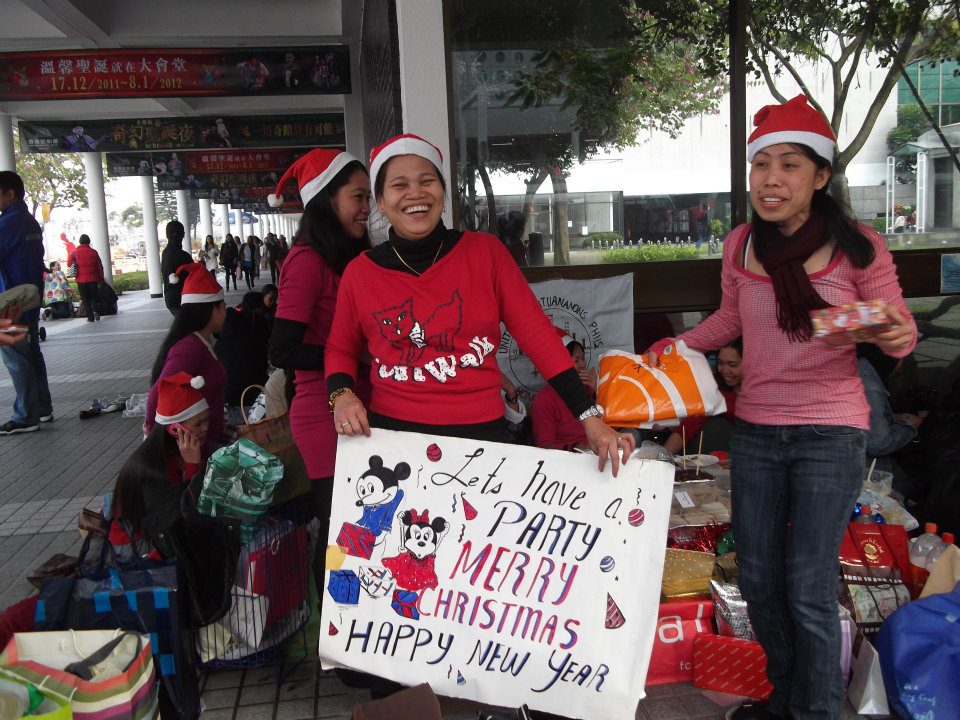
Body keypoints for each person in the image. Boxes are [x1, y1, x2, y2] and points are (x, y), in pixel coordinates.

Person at [647, 95, 917, 720]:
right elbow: (731, 318)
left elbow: (898, 334)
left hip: (831, 430)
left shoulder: (859, 247)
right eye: (761, 164)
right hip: (758, 430)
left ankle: (816, 711)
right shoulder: (742, 244)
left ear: (820, 177)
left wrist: (874, 325)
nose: (771, 179)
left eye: (790, 164)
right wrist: (675, 346)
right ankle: (787, 698)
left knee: (809, 584)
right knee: (760, 579)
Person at [326, 133, 634, 475]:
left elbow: (539, 337)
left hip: (480, 440)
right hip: (394, 440)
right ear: (381, 202)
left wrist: (589, 416)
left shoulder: (485, 254)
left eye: (427, 181)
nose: (416, 194)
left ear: (443, 193)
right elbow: (340, 348)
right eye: (399, 185)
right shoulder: (360, 273)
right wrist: (341, 395)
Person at [266, 148, 372, 598]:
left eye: (368, 197)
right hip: (322, 414)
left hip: (359, 407)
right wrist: (351, 357)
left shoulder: (348, 255)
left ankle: (353, 620)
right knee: (337, 528)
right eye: (358, 197)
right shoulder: (308, 261)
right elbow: (282, 349)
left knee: (360, 528)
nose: (367, 207)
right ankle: (334, 623)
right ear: (327, 200)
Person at [146, 263, 227, 452]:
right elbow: (158, 392)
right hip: (197, 447)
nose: (226, 313)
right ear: (211, 309)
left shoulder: (201, 342)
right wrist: (152, 439)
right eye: (223, 307)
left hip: (208, 441)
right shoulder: (190, 348)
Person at [0, 171, 53, 434]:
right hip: (29, 300)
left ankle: (25, 416)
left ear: (9, 193)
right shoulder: (29, 221)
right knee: (31, 353)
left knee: (16, 358)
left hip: (10, 305)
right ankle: (41, 408)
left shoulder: (8, 223)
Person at [664, 337, 742, 455]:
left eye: (732, 365)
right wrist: (662, 458)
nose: (725, 370)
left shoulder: (762, 398)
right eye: (720, 363)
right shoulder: (716, 390)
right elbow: (689, 425)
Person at [531, 329, 597, 450]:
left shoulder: (588, 389)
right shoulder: (544, 399)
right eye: (576, 360)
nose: (582, 365)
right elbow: (544, 445)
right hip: (569, 457)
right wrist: (576, 448)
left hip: (598, 450)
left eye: (583, 359)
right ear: (561, 363)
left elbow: (609, 425)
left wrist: (598, 391)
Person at [214, 291, 270, 423]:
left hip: (226, 392)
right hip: (251, 391)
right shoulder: (258, 325)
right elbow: (261, 361)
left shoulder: (226, 328)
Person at [160, 221, 193, 316]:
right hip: (183, 300)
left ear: (167, 235)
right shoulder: (183, 256)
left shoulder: (165, 253)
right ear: (182, 235)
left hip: (170, 298)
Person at [69, 234, 104, 322]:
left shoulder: (75, 252)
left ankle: (90, 317)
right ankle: (95, 311)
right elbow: (100, 266)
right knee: (93, 297)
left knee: (85, 299)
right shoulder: (94, 252)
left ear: (80, 242)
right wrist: (101, 279)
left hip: (81, 280)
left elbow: (69, 264)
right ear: (89, 241)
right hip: (93, 279)